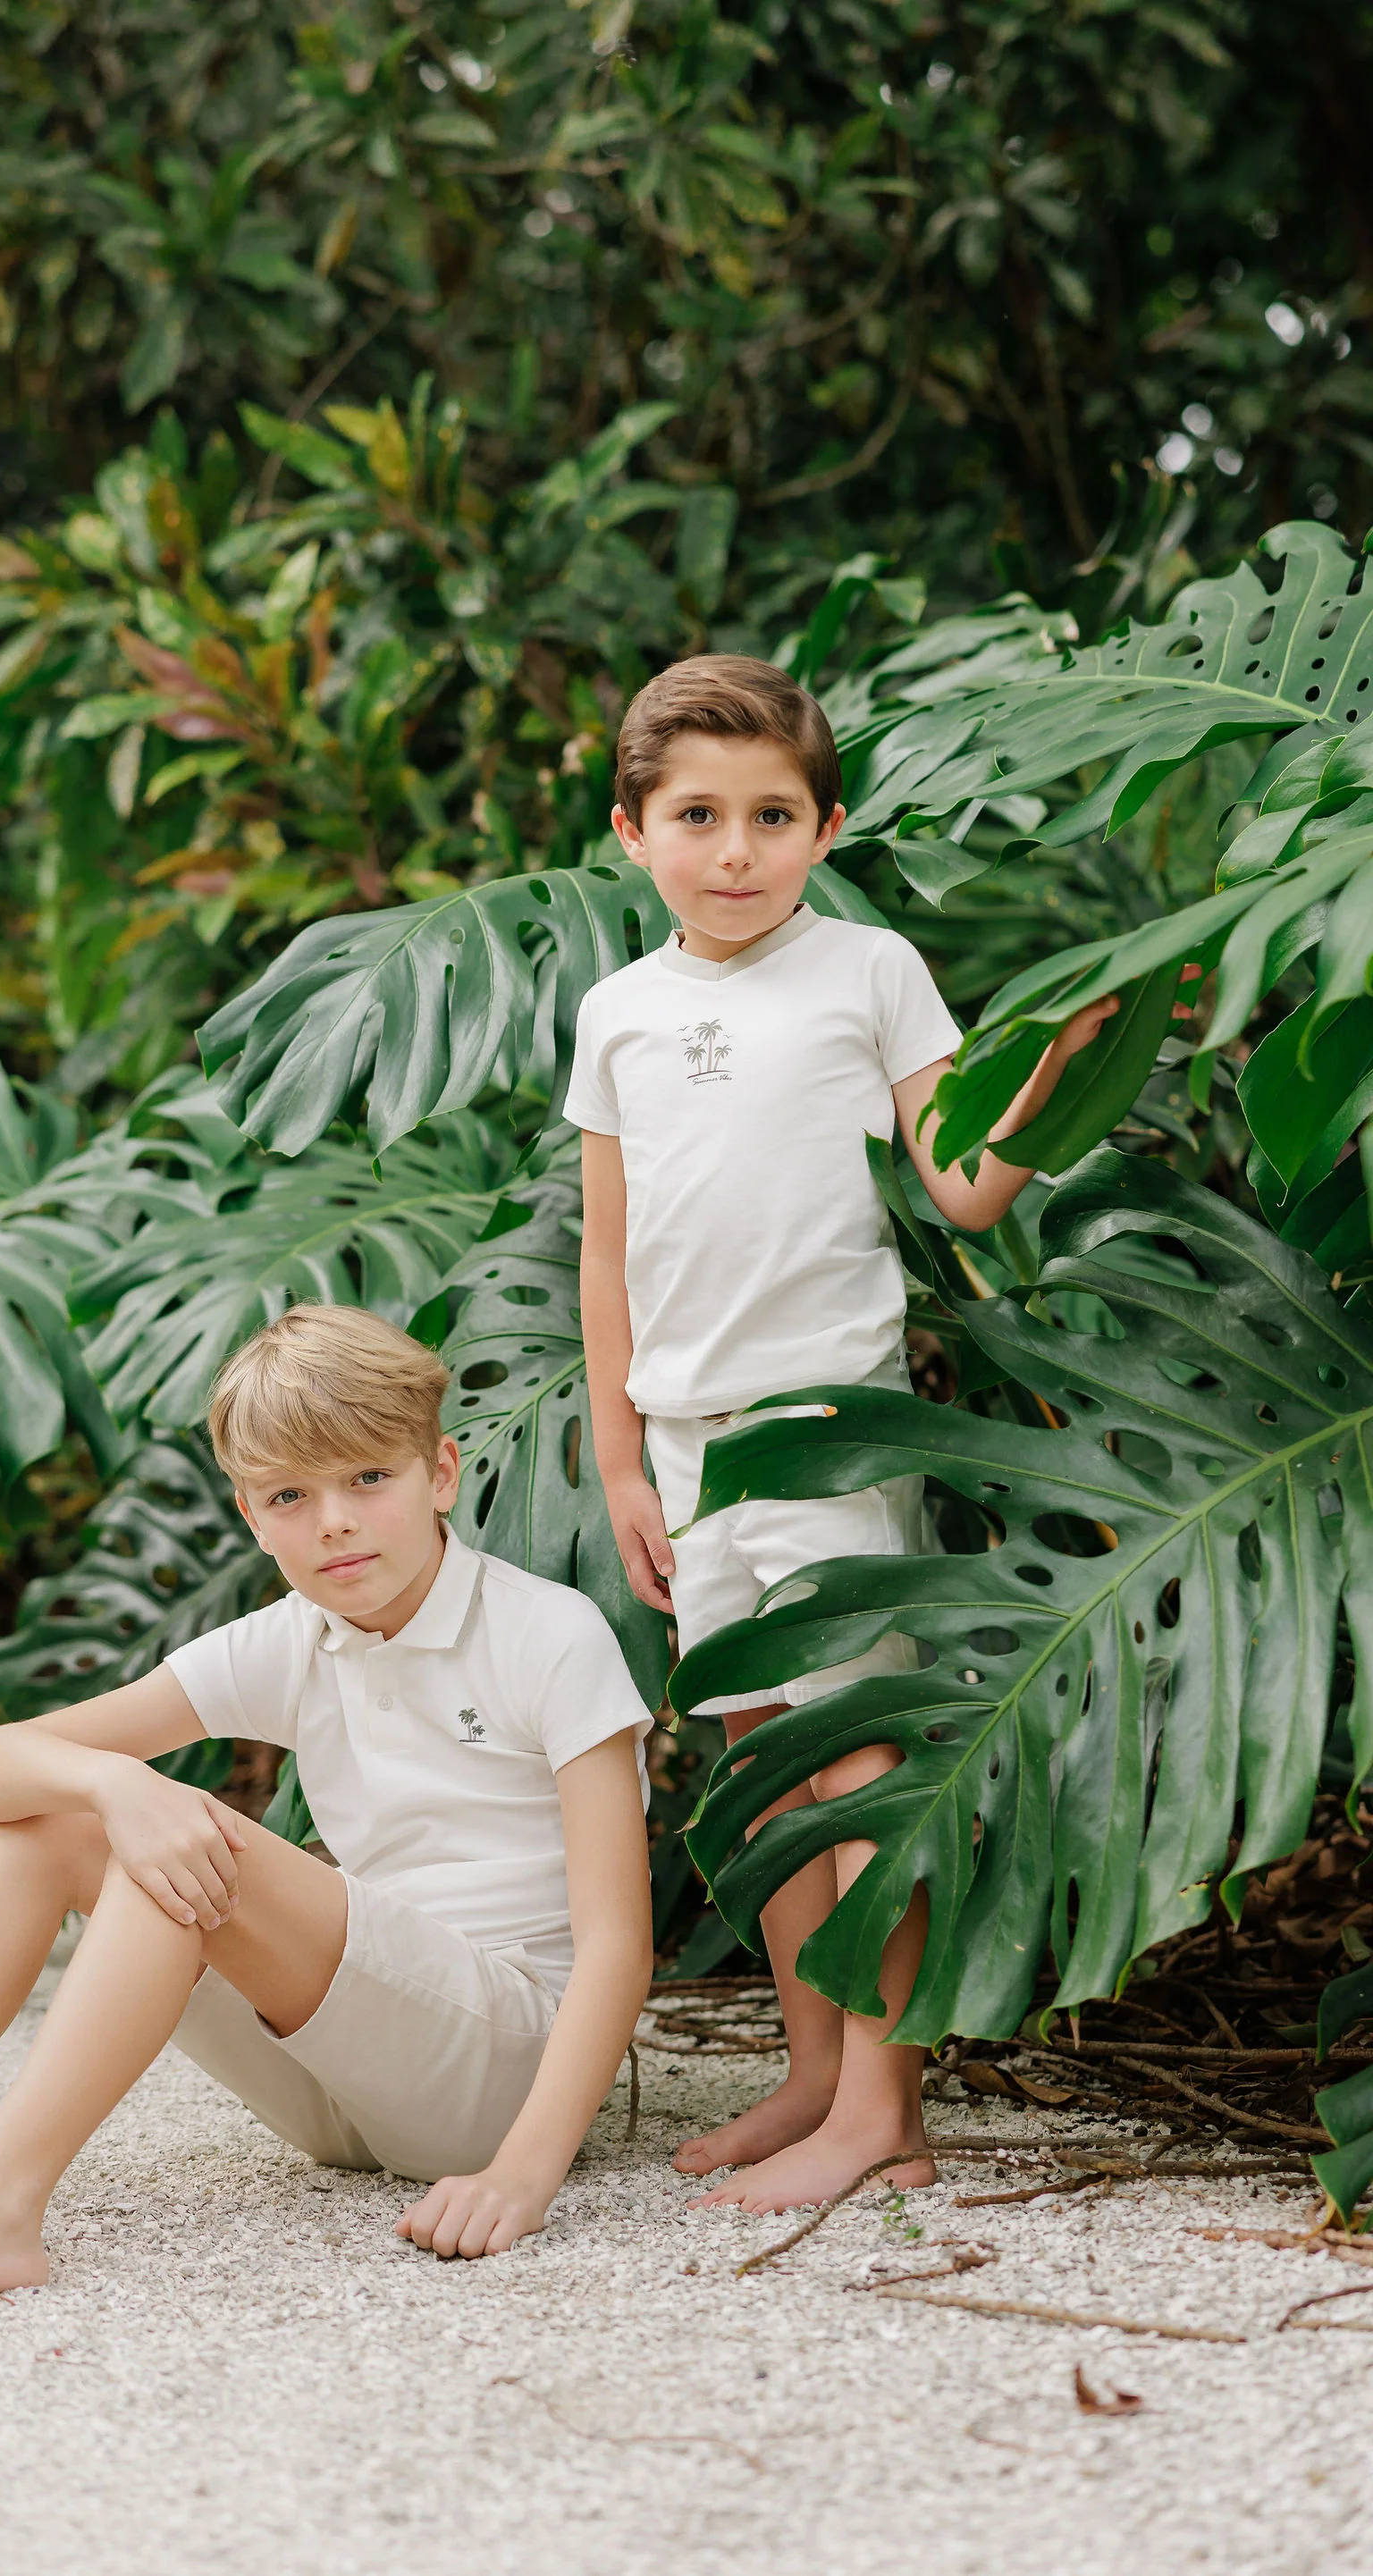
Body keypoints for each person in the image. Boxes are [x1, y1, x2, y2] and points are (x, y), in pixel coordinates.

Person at [0, 1306, 655, 2326]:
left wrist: (523, 2170)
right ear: (251, 1514)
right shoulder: (292, 1636)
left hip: (502, 2073)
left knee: (185, 1841)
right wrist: (112, 1783)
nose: (333, 1522)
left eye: (369, 1477)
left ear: (441, 1472)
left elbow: (616, 1939)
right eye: (288, 1496)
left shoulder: (544, 1636)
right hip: (345, 2091)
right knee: (66, 1817)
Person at [569, 652, 1129, 2216]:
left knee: (851, 1756)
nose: (732, 848)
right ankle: (811, 2069)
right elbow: (603, 1251)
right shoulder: (615, 1010)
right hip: (685, 1435)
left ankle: (882, 2100)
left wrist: (1059, 1073)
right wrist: (617, 1456)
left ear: (824, 827)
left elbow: (956, 1183)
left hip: (828, 1424)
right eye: (696, 814)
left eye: (769, 814)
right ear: (632, 832)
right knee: (755, 1760)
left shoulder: (867, 967)